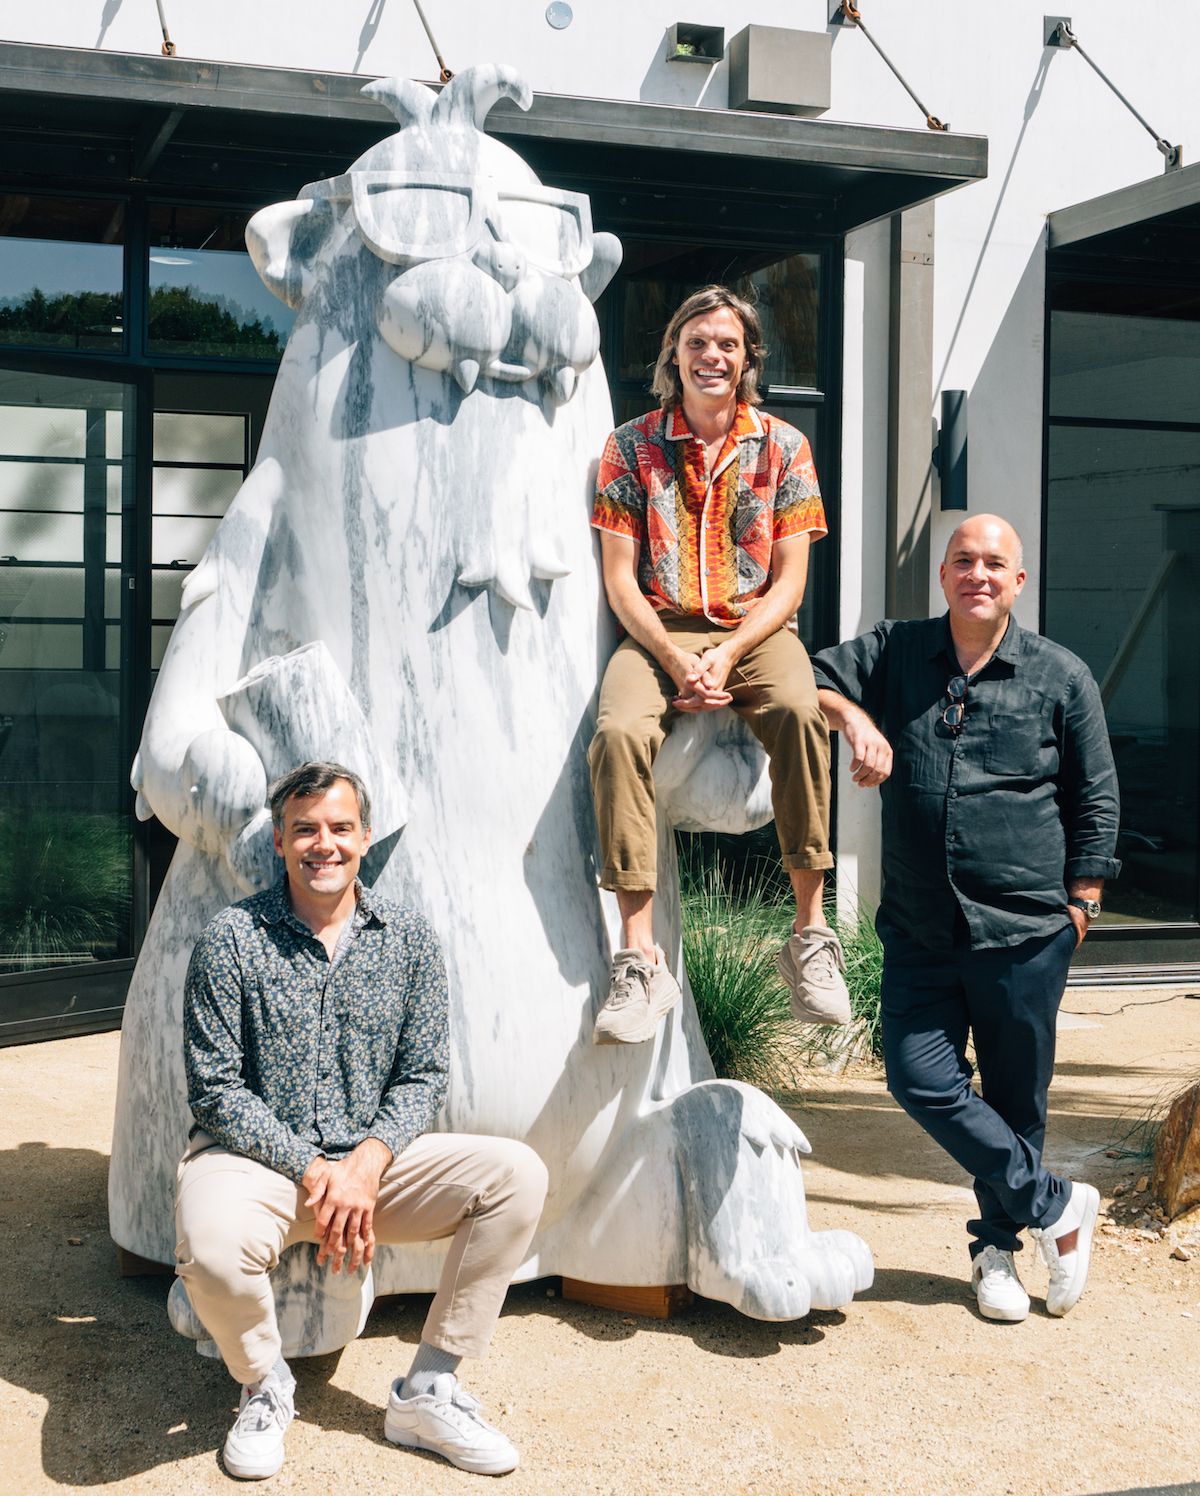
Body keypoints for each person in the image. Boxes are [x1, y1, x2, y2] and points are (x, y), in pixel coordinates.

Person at [176, 761, 548, 1480]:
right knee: (212, 1245)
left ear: (365, 837)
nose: (325, 844)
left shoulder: (409, 940)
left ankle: (430, 1390)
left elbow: (423, 1075)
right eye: (305, 829)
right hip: (259, 1167)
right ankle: (263, 1386)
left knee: (516, 1177)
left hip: (372, 1170)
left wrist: (367, 1161)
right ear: (280, 841)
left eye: (340, 828)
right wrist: (318, 1171)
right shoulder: (230, 939)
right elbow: (216, 1091)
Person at [811, 514, 1119, 1322]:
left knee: (1017, 1101)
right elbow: (808, 679)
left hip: (1024, 931)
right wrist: (858, 719)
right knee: (919, 1079)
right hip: (919, 927)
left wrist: (1081, 905)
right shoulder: (898, 651)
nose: (977, 573)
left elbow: (1095, 795)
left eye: (995, 563)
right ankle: (1056, 1205)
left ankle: (996, 1252)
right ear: (942, 576)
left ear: (1019, 582)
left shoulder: (1060, 675)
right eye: (963, 561)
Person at [587, 284, 850, 1045]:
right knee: (617, 735)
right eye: (697, 342)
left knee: (804, 713)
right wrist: (674, 658)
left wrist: (729, 655)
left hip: (756, 629)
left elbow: (792, 579)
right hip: (657, 626)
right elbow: (618, 578)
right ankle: (639, 961)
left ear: (746, 360)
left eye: (727, 345)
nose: (712, 356)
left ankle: (808, 938)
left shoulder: (786, 446)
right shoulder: (628, 446)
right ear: (674, 353)